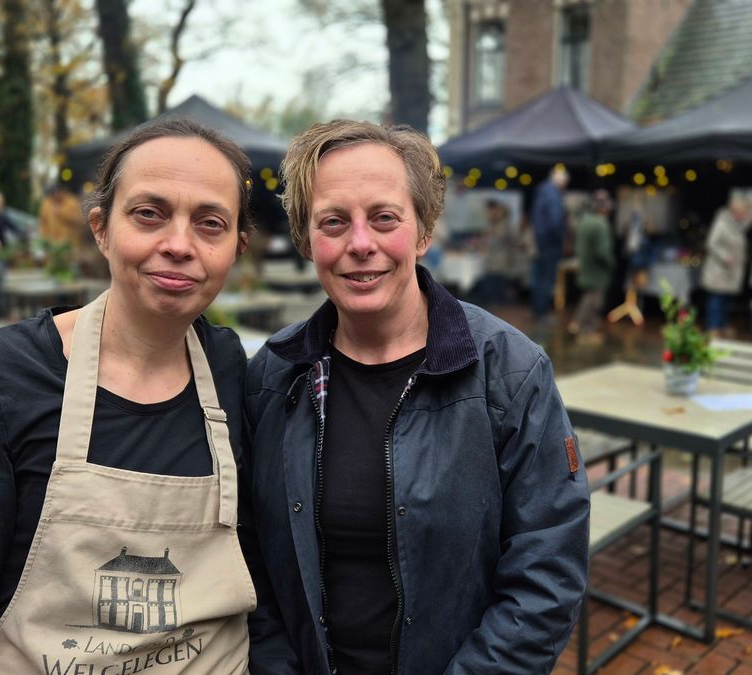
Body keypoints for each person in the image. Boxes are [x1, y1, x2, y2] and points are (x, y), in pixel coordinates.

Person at [0, 118, 265, 673]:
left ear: (237, 247)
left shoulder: (233, 370)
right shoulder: (2, 376)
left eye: (210, 223)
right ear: (100, 228)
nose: (178, 244)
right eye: (149, 214)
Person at [245, 120, 589, 673]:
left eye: (385, 218)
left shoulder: (509, 373)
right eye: (334, 222)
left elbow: (546, 572)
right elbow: (252, 556)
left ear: (424, 231)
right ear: (308, 240)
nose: (361, 244)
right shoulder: (274, 375)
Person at [569, 189, 614, 344]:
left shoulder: (584, 220)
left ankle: (578, 324)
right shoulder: (600, 224)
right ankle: (585, 330)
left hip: (584, 266)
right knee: (594, 301)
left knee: (588, 297)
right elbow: (603, 252)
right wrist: (611, 264)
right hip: (597, 270)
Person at [701, 195, 749, 336]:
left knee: (727, 300)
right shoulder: (722, 223)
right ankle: (713, 326)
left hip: (732, 271)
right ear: (736, 211)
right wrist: (725, 257)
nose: (745, 215)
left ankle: (722, 324)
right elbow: (711, 243)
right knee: (717, 299)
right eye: (744, 211)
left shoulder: (737, 226)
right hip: (719, 270)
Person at [529, 165, 569, 323]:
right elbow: (555, 221)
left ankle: (538, 311)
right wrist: (561, 238)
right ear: (561, 182)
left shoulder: (542, 192)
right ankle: (542, 313)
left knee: (539, 278)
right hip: (549, 243)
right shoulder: (553, 194)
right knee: (546, 279)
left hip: (540, 242)